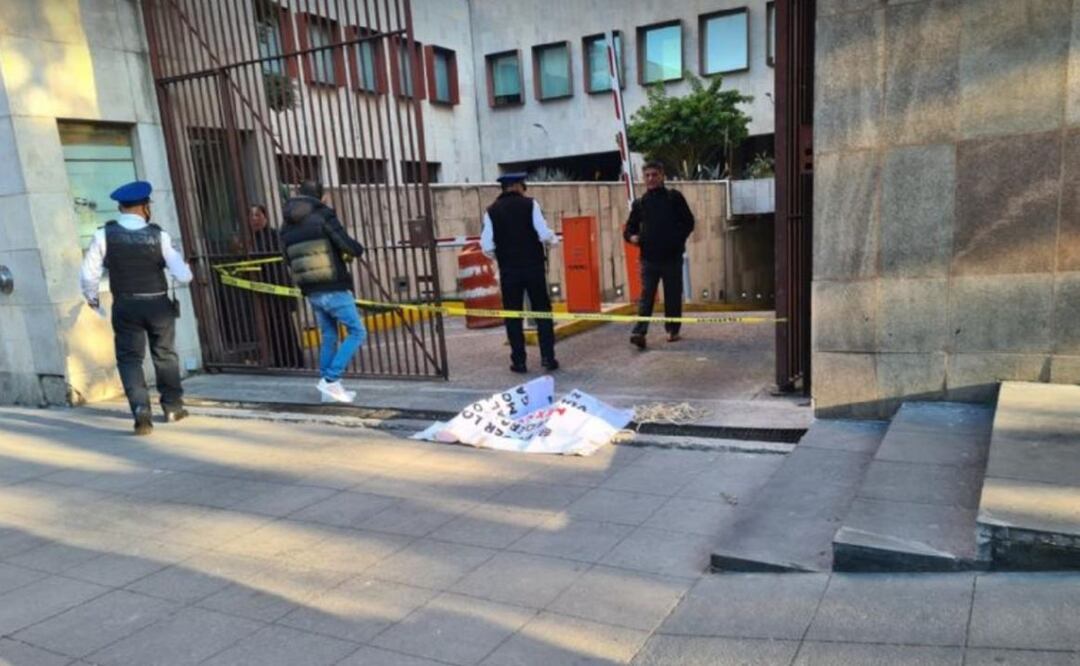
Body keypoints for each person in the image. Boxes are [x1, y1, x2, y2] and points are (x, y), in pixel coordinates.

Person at [80, 180, 194, 435]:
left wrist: (93, 300)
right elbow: (183, 276)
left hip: (126, 304)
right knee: (165, 354)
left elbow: (89, 275)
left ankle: (141, 412)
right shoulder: (159, 235)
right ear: (145, 207)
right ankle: (173, 407)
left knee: (130, 359)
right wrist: (185, 269)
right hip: (158, 304)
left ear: (120, 207)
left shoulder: (103, 234)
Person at [280, 180, 366, 403]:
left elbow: (287, 258)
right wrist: (357, 249)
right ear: (322, 196)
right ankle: (330, 380)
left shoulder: (286, 224)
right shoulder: (323, 215)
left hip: (310, 288)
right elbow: (346, 245)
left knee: (329, 335)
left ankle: (328, 392)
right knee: (357, 331)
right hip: (332, 284)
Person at [480, 172, 559, 373]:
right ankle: (548, 358)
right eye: (523, 185)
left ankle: (519, 361)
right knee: (542, 312)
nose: (524, 189)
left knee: (513, 316)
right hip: (533, 269)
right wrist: (553, 239)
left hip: (509, 272)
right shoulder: (530, 204)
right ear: (516, 186)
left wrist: (503, 258)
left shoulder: (491, 211)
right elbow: (543, 233)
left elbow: (487, 246)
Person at [623, 161, 695, 349]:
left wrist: (676, 240)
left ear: (662, 175)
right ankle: (639, 332)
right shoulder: (640, 204)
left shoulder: (674, 198)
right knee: (646, 297)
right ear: (643, 178)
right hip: (649, 259)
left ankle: (673, 330)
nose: (651, 179)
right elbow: (629, 228)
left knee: (672, 296)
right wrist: (632, 237)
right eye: (647, 175)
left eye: (654, 175)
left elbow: (689, 222)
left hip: (672, 258)